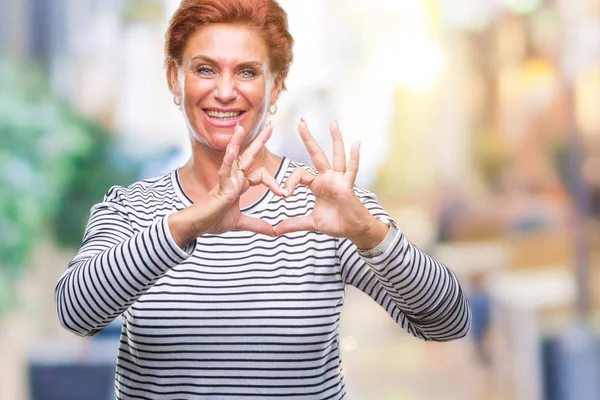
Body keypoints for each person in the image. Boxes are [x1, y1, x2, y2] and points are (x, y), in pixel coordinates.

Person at [54, 0, 471, 398]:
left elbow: (449, 321)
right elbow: (76, 314)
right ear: (173, 78)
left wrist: (370, 233)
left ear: (276, 87)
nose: (224, 91)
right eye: (205, 69)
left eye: (248, 72)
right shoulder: (132, 208)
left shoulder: (328, 204)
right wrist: (187, 225)